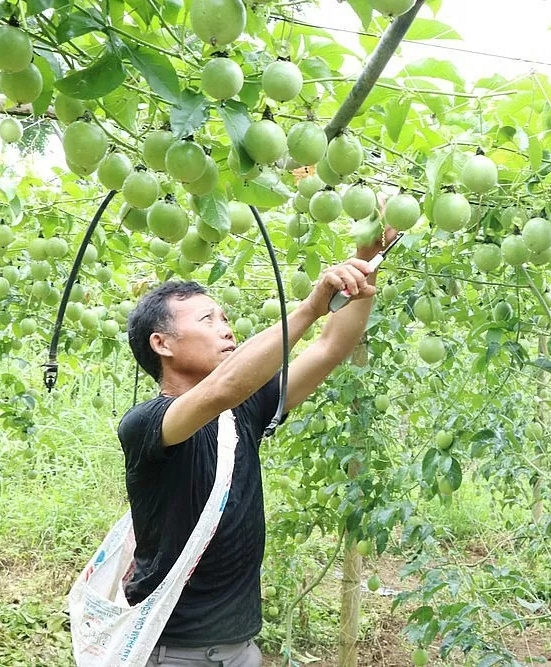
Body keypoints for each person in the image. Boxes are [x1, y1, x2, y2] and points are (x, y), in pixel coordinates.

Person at [118, 229, 396, 667]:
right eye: (209, 321)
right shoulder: (146, 425)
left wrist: (367, 259)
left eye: (226, 319)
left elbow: (330, 347)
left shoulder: (241, 412)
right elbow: (219, 391)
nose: (227, 330)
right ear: (162, 343)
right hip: (171, 651)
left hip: (241, 647)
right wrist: (309, 307)